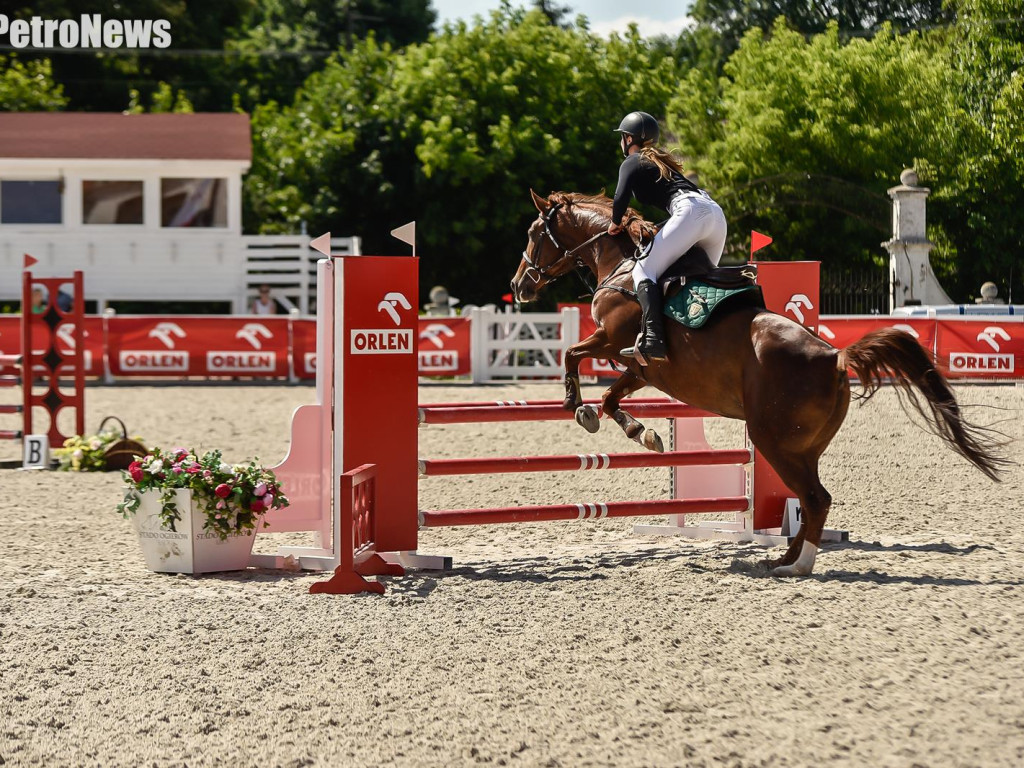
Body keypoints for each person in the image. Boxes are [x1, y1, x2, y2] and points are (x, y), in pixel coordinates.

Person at [608, 111, 727, 364]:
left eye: (622, 137)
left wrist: (614, 224)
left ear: (629, 139)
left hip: (690, 212)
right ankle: (703, 341)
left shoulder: (632, 161)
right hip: (715, 214)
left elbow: (619, 199)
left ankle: (653, 339)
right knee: (701, 279)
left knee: (643, 271)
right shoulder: (661, 162)